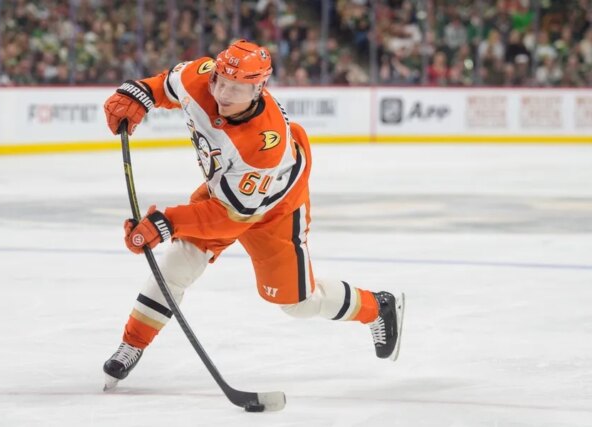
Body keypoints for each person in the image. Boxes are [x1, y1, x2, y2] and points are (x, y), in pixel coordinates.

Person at [101, 39, 405, 390]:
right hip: (227, 194)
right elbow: (163, 86)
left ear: (259, 88)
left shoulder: (264, 145)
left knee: (297, 304)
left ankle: (378, 307)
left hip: (276, 209)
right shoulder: (200, 76)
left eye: (237, 88)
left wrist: (166, 223)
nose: (223, 94)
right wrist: (137, 93)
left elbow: (232, 217)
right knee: (176, 266)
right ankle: (132, 345)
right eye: (220, 82)